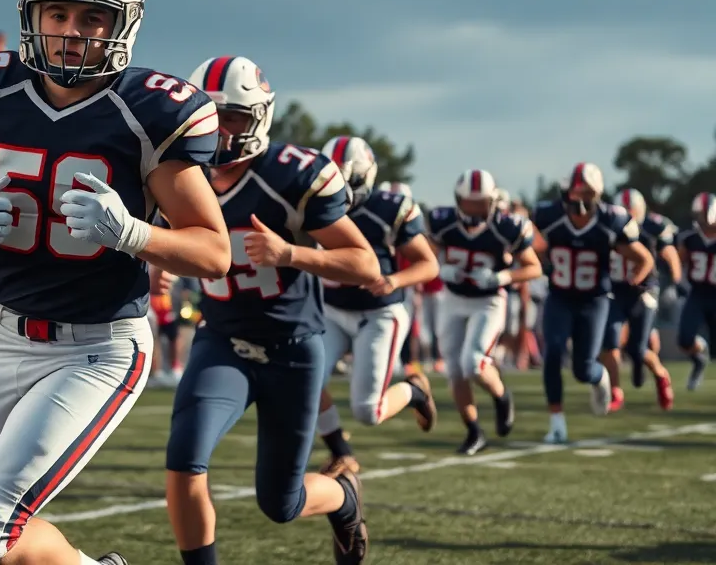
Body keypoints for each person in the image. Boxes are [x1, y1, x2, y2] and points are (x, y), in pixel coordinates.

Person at [0, 0, 231, 565]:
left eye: (92, 19)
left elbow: (214, 252)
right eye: (58, 15)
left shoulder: (149, 112)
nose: (71, 32)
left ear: (121, 26)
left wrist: (134, 233)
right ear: (34, 17)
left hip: (96, 345)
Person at [156, 55, 378, 565]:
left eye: (230, 116)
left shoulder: (291, 174)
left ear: (258, 117)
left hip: (291, 351)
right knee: (184, 458)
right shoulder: (173, 169)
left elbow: (364, 264)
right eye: (207, 113)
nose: (217, 128)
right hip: (221, 342)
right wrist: (157, 263)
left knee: (281, 503)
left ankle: (344, 499)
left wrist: (290, 254)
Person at [311, 136, 439, 478]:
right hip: (333, 310)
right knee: (305, 380)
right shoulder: (307, 200)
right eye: (331, 177)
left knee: (368, 411)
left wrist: (394, 281)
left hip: (379, 311)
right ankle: (342, 453)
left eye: (345, 178)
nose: (338, 188)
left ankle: (414, 390)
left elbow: (428, 264)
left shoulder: (388, 208)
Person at [532, 163, 652, 444]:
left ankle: (600, 379)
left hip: (594, 300)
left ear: (597, 194)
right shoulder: (548, 216)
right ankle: (557, 421)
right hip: (560, 296)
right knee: (552, 352)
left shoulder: (611, 220)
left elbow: (644, 258)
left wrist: (635, 282)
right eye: (576, 193)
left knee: (583, 369)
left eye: (587, 193)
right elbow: (526, 244)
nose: (580, 200)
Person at [425, 169, 542, 455]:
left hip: (488, 301)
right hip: (452, 298)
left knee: (473, 362)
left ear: (492, 201)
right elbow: (423, 257)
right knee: (454, 369)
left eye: (481, 203)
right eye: (470, 202)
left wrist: (502, 277)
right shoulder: (442, 222)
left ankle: (502, 396)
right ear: (458, 200)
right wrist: (440, 269)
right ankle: (474, 431)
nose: (475, 209)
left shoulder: (507, 226)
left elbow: (533, 267)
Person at [600, 187, 680, 411]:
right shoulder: (606, 226)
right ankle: (616, 391)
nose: (626, 215)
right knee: (610, 342)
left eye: (630, 211)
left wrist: (676, 279)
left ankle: (661, 376)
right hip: (616, 290)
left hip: (643, 291)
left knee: (637, 349)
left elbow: (670, 253)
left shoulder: (652, 227)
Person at [675, 193, 716, 391]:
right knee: (684, 338)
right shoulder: (689, 239)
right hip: (697, 294)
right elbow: (678, 264)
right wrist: (678, 282)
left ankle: (703, 362)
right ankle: (699, 358)